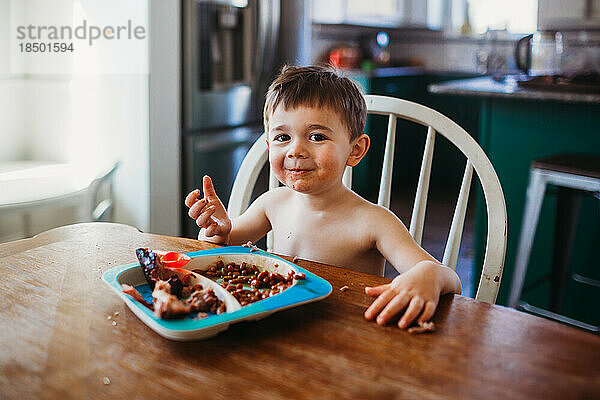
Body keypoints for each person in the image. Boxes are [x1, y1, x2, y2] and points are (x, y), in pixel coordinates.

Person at [185, 65, 461, 329]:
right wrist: (217, 231)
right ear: (269, 144)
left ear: (355, 150)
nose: (296, 150)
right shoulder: (272, 204)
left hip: (344, 334)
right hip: (274, 326)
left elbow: (451, 280)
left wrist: (428, 275)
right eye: (282, 138)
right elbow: (220, 247)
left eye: (316, 136)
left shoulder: (373, 222)